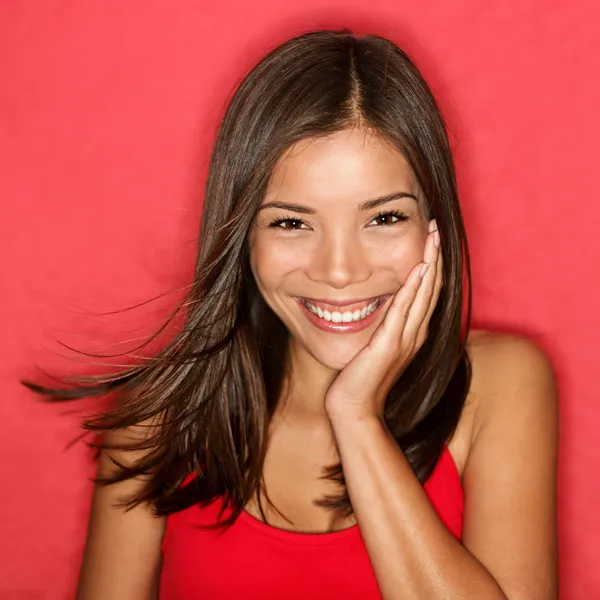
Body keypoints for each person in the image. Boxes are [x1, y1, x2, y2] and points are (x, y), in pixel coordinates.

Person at [24, 28, 559, 600]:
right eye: (291, 222)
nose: (338, 270)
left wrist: (357, 418)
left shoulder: (501, 385)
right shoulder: (155, 427)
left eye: (383, 219)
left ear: (435, 224)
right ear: (243, 236)